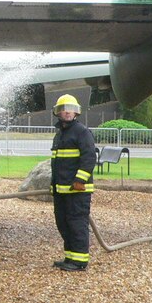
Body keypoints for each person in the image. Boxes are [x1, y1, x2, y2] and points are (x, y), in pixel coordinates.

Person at [50, 94, 96, 271]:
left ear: (76, 113)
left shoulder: (81, 132)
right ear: (58, 113)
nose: (67, 112)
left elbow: (89, 157)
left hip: (77, 190)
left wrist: (80, 180)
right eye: (64, 109)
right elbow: (57, 164)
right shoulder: (60, 135)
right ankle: (70, 257)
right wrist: (53, 186)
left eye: (71, 109)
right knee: (63, 223)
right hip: (61, 190)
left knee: (77, 224)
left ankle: (80, 261)